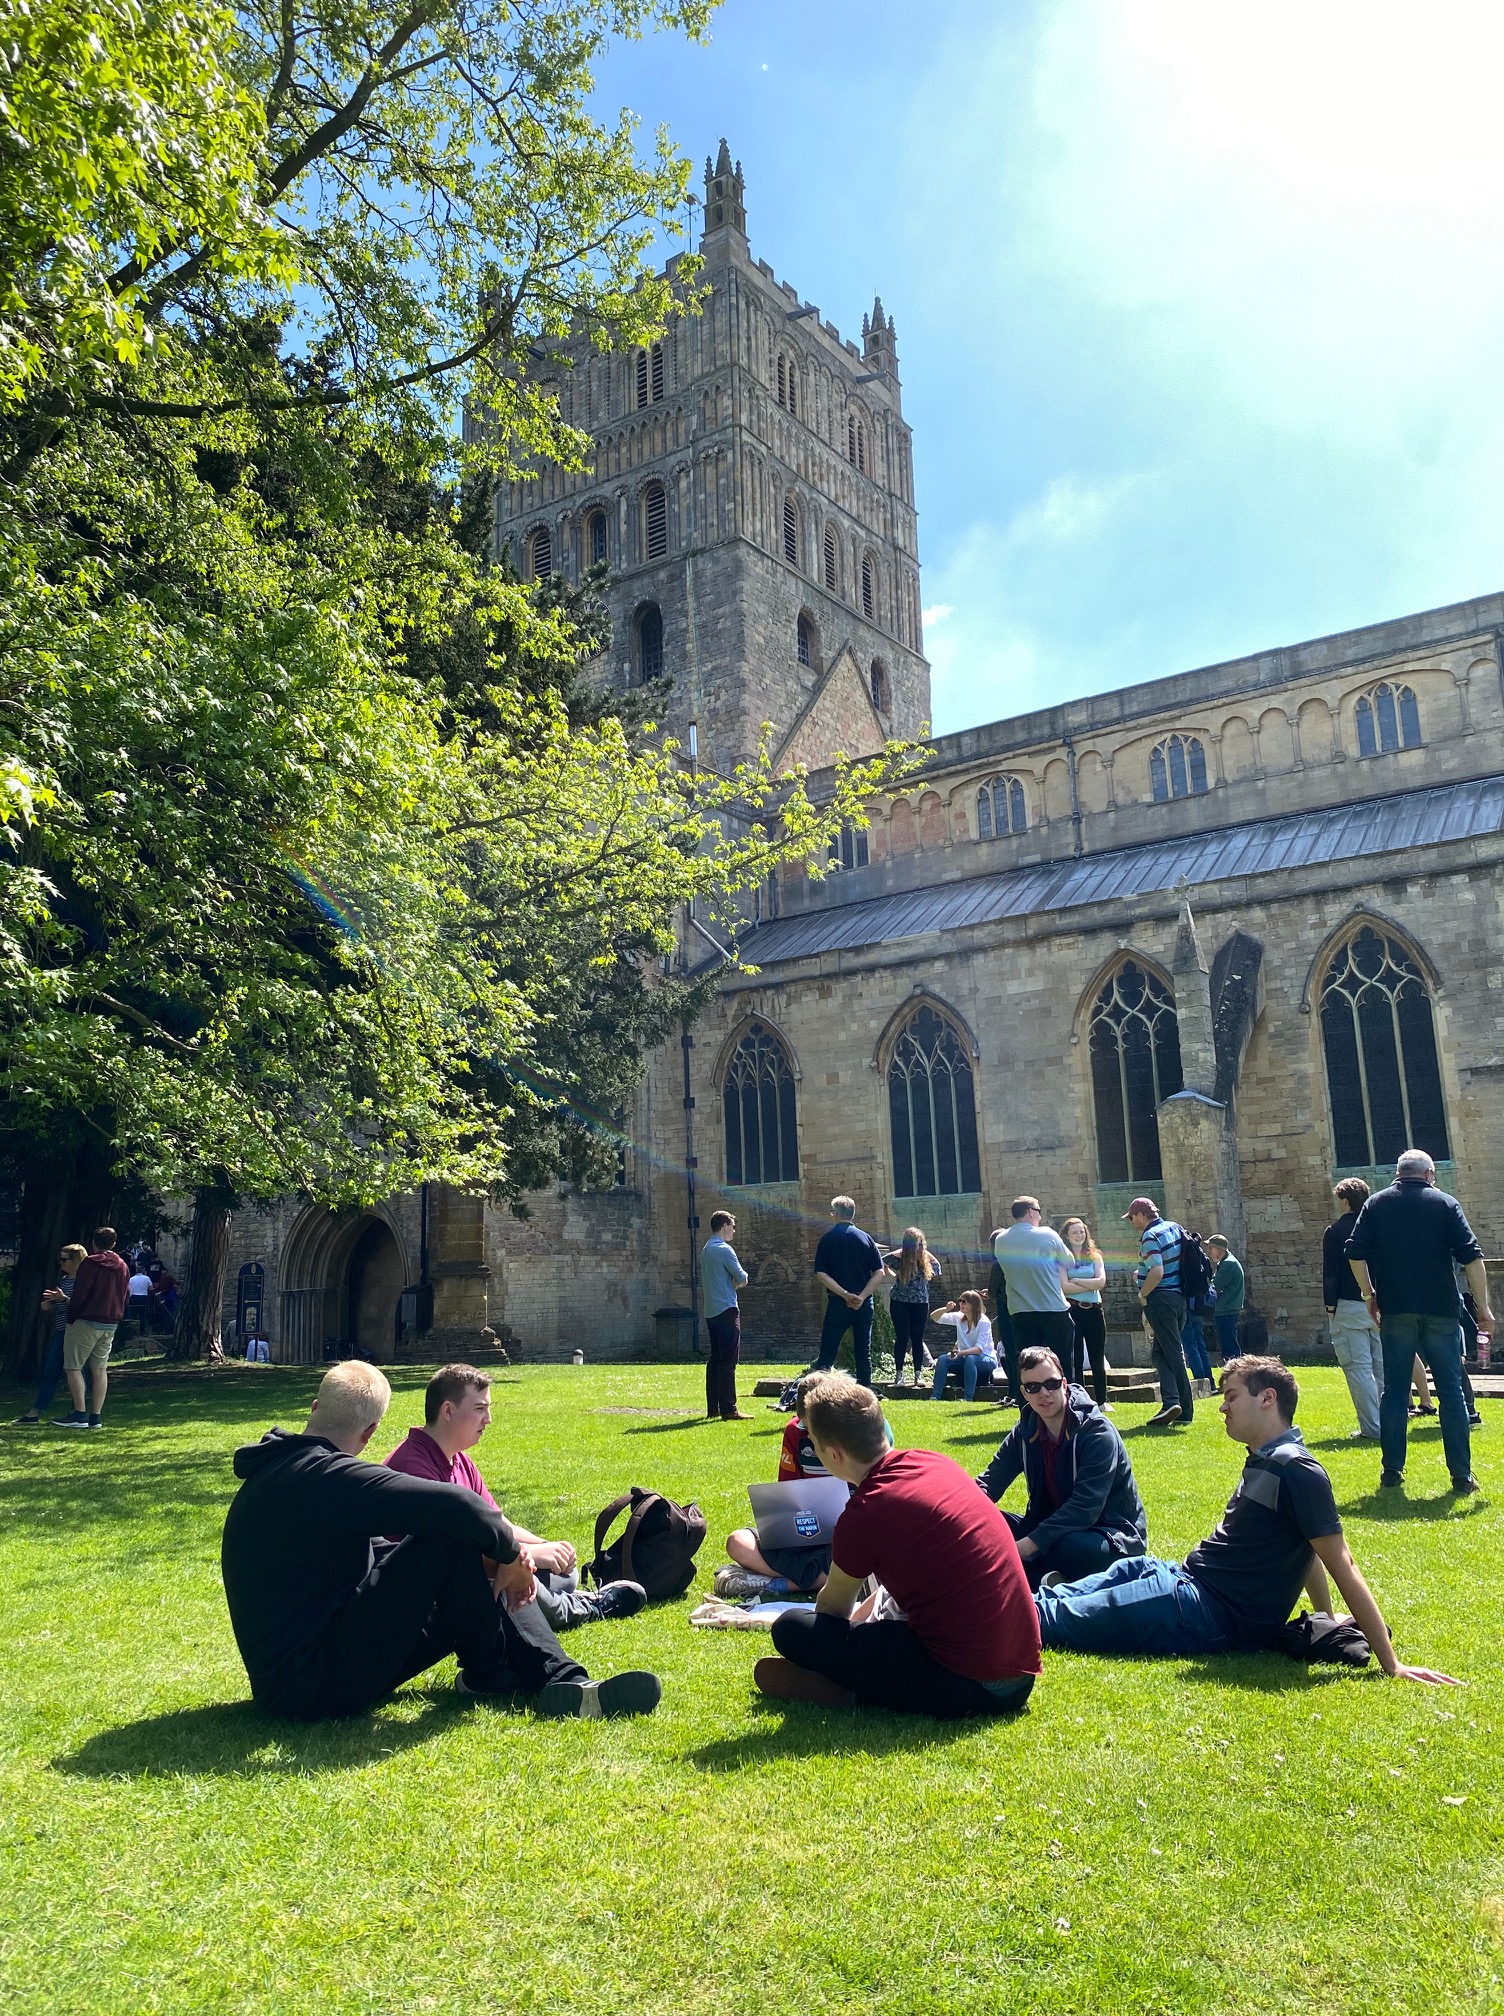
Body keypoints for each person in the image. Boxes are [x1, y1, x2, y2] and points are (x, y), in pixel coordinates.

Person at [221, 1361, 661, 1720]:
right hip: (317, 1684)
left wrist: (496, 1564)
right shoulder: (329, 1478)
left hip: (301, 1674)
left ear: (315, 1407)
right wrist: (510, 1555)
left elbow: (360, 1562)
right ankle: (514, 1675)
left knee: (462, 1553)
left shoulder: (269, 1479)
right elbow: (462, 1508)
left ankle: (521, 1677)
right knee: (454, 1538)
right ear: (371, 1431)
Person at [1036, 1356, 1458, 1685]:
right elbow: (1304, 1544)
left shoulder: (1297, 1470)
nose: (1222, 1407)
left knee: (1053, 1621)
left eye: (1232, 1396)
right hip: (1182, 1578)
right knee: (1101, 1579)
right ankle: (1020, 1600)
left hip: (1206, 1610)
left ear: (1267, 1398)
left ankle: (989, 1615)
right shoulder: (1265, 1460)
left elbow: (1340, 1562)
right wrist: (1322, 1618)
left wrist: (1392, 1664)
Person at [755, 1373, 1041, 1717]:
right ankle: (858, 1679)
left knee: (793, 1628)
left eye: (813, 1441)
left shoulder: (865, 1512)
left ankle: (848, 1685)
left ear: (833, 1453)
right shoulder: (933, 1462)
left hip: (971, 1685)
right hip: (1021, 1675)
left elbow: (832, 1612)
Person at [385, 1363, 646, 1629]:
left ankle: (550, 1597)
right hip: (432, 1589)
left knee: (564, 1575)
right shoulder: (415, 1469)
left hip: (474, 1566)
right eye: (479, 1409)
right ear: (448, 1411)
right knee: (513, 1578)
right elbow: (456, 1550)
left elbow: (498, 1524)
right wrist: (526, 1555)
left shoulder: (459, 1460)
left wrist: (547, 1546)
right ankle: (586, 1607)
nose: (488, 1419)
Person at [1343, 1149, 1495, 1495]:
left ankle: (1392, 1472)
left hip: (1396, 1309)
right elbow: (1472, 1258)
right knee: (1451, 1392)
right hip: (1441, 1309)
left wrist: (1370, 1294)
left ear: (1398, 1174)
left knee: (1395, 1392)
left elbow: (1354, 1253)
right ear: (1429, 1173)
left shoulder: (1377, 1204)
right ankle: (1461, 1475)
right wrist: (1483, 1310)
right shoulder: (1444, 1204)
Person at [976, 1345, 1147, 1589]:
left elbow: (1084, 1508)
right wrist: (957, 1513)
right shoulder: (1025, 1431)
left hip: (1109, 1534)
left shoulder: (1097, 1431)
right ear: (1023, 1392)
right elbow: (990, 1481)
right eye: (1033, 1387)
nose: (1043, 1393)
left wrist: (1028, 1545)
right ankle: (1049, 1580)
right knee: (984, 1525)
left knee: (1070, 1547)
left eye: (1051, 1384)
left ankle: (1026, 1576)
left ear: (1064, 1384)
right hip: (1050, 1527)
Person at [719, 1372, 843, 1599]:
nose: (809, 1435)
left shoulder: (853, 1434)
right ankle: (812, 1580)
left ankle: (779, 1584)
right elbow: (788, 1492)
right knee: (737, 1542)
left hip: (846, 1537)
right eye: (805, 1427)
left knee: (862, 1560)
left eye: (813, 1428)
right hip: (805, 1532)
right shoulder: (795, 1432)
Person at [1125, 1198, 1195, 1427]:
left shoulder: (1149, 1236)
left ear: (1141, 1215)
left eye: (1132, 1217)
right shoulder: (1174, 1227)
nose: (1132, 1222)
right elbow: (1167, 1264)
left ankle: (1184, 1410)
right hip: (1179, 1298)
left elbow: (1157, 1270)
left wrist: (1142, 1294)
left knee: (1173, 1353)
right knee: (1161, 1353)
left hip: (1160, 1300)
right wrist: (1141, 1272)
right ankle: (1171, 1403)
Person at [1322, 1180, 1383, 1440]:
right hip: (1381, 1304)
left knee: (1358, 1368)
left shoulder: (1335, 1231)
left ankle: (1372, 1428)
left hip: (1349, 1304)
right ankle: (1390, 1423)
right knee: (1383, 1367)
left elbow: (1331, 1274)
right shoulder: (1379, 1227)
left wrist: (1330, 1309)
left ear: (1345, 1201)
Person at [991, 1198, 1074, 1381]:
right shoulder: (1047, 1234)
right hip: (1052, 1309)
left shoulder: (1001, 1239)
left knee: (1027, 1368)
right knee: (1063, 1365)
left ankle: (1028, 1409)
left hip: (1021, 1312)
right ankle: (1066, 1406)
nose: (1040, 1215)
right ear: (1030, 1212)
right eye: (1038, 1210)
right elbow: (1069, 1262)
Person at [55, 1226, 129, 1430]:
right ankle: (95, 1417)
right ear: (113, 1244)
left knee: (73, 1366)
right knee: (99, 1369)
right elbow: (125, 1293)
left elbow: (81, 1293)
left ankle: (79, 1414)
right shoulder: (122, 1265)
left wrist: (72, 1315)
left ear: (94, 1243)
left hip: (86, 1320)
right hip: (110, 1322)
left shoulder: (90, 1263)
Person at [811, 1195, 887, 1389]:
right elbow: (880, 1272)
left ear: (836, 1214)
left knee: (828, 1350)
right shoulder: (866, 1238)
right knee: (863, 1350)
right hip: (863, 1304)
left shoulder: (828, 1239)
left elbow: (821, 1274)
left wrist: (845, 1294)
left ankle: (821, 1393)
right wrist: (861, 1297)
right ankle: (865, 1392)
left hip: (838, 1303)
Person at [13, 1243, 87, 1425]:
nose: (60, 1263)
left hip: (76, 1330)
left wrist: (62, 1299)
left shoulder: (84, 1280)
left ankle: (77, 1412)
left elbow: (83, 1306)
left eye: (64, 1259)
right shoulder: (65, 1280)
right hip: (62, 1329)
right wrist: (51, 1303)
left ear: (75, 1259)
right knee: (59, 1371)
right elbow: (62, 1302)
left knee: (67, 1369)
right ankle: (43, 1411)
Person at [701, 1210, 750, 1421]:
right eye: (732, 1226)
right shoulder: (724, 1250)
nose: (734, 1230)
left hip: (711, 1311)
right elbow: (742, 1277)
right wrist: (736, 1283)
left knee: (716, 1359)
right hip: (727, 1309)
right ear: (724, 1226)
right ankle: (729, 1409)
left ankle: (714, 1407)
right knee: (728, 1361)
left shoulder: (706, 1250)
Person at [1060, 1217, 1108, 1406]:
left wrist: (1077, 1281)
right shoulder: (1063, 1259)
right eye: (1075, 1232)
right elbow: (1064, 1287)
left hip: (1094, 1311)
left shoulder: (1095, 1256)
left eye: (1082, 1232)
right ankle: (1078, 1400)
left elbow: (1101, 1282)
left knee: (1097, 1356)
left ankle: (1102, 1401)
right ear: (1066, 1236)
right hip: (1072, 1311)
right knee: (1076, 1358)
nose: (1079, 1235)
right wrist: (1089, 1284)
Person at [884, 1227, 940, 1385]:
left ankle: (918, 1375)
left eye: (921, 1243)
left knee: (917, 1338)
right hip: (900, 1302)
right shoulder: (899, 1257)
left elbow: (937, 1267)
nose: (919, 1247)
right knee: (902, 1337)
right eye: (916, 1244)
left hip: (920, 1303)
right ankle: (899, 1374)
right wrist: (896, 1275)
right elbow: (883, 1262)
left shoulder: (925, 1258)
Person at [928, 1290, 997, 1399]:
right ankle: (935, 1396)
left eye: (964, 1302)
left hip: (986, 1360)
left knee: (971, 1359)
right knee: (942, 1359)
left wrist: (960, 1353)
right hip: (965, 1359)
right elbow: (934, 1317)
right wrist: (945, 1309)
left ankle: (967, 1397)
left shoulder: (984, 1322)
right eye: (960, 1301)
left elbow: (979, 1349)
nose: (961, 1304)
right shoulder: (959, 1317)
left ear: (973, 1304)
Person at [1205, 1236, 1245, 1367]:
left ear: (1220, 1249)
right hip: (1226, 1309)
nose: (1208, 1251)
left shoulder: (1228, 1263)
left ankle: (1236, 1376)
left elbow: (1214, 1286)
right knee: (1228, 1345)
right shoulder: (1225, 1262)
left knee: (1229, 1348)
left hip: (1227, 1310)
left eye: (1211, 1248)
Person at [126, 1260, 153, 1335]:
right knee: (142, 1315)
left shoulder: (131, 1279)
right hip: (142, 1298)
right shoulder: (147, 1278)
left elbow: (128, 1289)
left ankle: (131, 1331)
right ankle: (142, 1331)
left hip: (133, 1297)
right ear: (143, 1270)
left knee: (132, 1315)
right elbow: (151, 1288)